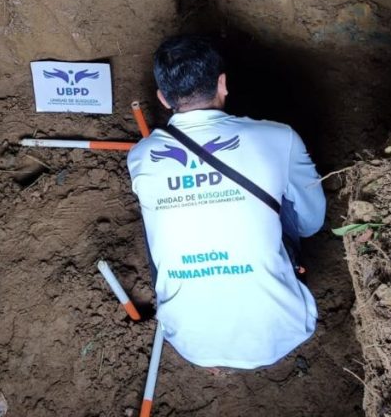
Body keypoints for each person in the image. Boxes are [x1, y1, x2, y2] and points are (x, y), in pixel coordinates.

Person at [127, 34, 326, 369]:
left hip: (189, 339)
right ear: (223, 83)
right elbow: (311, 222)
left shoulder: (141, 156)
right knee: (283, 194)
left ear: (162, 98)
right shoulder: (280, 137)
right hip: (284, 328)